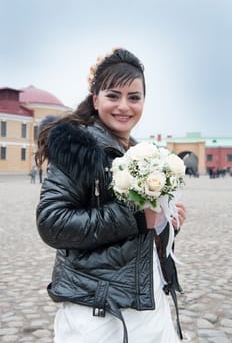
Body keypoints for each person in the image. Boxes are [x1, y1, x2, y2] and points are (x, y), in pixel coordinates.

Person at [35, 48, 186, 343]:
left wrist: (167, 220)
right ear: (95, 99)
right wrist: (138, 218)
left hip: (148, 297)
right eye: (113, 95)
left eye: (134, 97)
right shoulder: (79, 149)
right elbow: (52, 223)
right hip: (98, 310)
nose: (124, 107)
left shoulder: (142, 154)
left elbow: (144, 225)